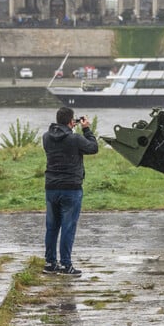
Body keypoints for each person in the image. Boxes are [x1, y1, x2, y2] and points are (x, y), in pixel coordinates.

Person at [42, 107, 98, 276]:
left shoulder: (46, 137)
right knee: (68, 227)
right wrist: (86, 128)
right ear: (70, 121)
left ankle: (50, 263)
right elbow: (93, 148)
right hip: (71, 188)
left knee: (52, 227)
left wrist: (70, 127)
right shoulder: (75, 139)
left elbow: (61, 139)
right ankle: (66, 265)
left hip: (51, 187)